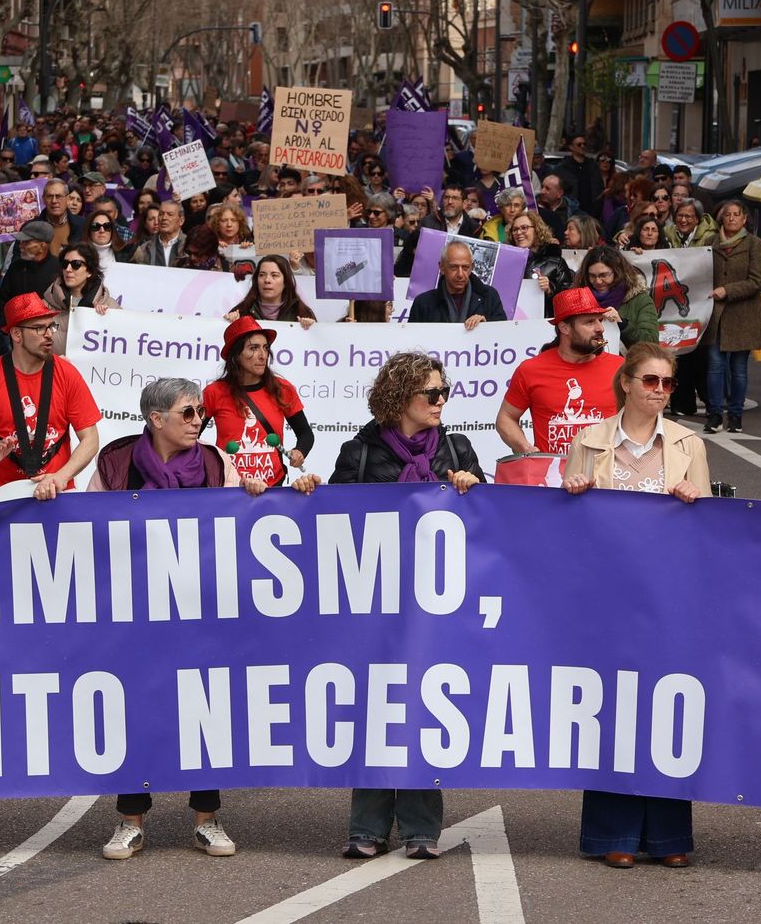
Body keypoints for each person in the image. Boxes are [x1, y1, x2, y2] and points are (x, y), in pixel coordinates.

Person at [91, 377, 317, 861]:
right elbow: (87, 528)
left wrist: (267, 492)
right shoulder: (116, 462)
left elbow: (248, 523)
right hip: (138, 614)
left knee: (205, 709)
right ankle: (129, 821)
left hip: (202, 615)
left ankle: (207, 818)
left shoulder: (217, 463)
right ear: (156, 419)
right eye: (188, 413)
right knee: (137, 711)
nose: (199, 421)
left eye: (199, 413)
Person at [329, 351, 483, 860]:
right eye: (430, 394)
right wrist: (308, 491)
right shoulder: (361, 453)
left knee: (423, 708)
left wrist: (472, 487)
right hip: (374, 603)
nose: (441, 401)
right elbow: (332, 522)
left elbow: (490, 520)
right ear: (400, 399)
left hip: (436, 605)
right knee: (375, 708)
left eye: (444, 392)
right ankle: (367, 826)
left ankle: (422, 827)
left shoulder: (457, 449)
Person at [559, 343, 708, 867]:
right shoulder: (589, 440)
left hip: (668, 596)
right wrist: (573, 492)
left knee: (668, 709)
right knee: (612, 711)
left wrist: (695, 501)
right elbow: (568, 528)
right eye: (650, 381)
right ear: (626, 383)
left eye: (667, 383)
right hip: (606, 597)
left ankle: (668, 837)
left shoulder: (688, 442)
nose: (660, 392)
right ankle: (613, 834)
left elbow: (708, 532)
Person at [0, 294, 102, 504]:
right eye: (39, 328)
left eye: (51, 326)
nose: (49, 334)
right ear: (16, 334)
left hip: (57, 489)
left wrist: (62, 476)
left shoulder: (67, 373)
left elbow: (91, 438)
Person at [497, 287, 623, 456]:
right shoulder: (531, 369)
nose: (600, 328)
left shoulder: (620, 368)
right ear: (564, 328)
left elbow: (643, 419)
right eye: (589, 322)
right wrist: (527, 450)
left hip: (607, 476)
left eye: (600, 320)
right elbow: (505, 418)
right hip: (552, 476)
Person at [202, 317, 314, 488]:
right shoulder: (214, 392)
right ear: (236, 355)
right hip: (230, 488)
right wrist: (212, 464)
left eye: (265, 348)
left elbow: (305, 433)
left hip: (273, 487)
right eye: (253, 348)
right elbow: (191, 437)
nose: (262, 355)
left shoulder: (282, 388)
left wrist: (300, 451)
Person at [703, 200, 761, 434]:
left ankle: (736, 416)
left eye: (736, 214)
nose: (731, 218)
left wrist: (728, 290)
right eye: (727, 214)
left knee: (739, 367)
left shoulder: (754, 244)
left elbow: (758, 280)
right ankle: (715, 415)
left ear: (744, 219)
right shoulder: (711, 243)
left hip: (743, 315)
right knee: (715, 365)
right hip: (717, 315)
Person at [39, 242, 118, 353]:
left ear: (89, 271)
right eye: (65, 264)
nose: (68, 269)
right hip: (54, 369)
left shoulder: (110, 306)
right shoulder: (42, 307)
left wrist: (107, 318)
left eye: (76, 264)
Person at [410, 240, 506, 327]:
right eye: (454, 267)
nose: (460, 274)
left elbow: (503, 334)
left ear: (472, 267)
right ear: (442, 267)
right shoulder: (423, 303)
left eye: (465, 267)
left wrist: (486, 326)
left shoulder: (489, 296)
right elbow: (412, 342)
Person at [578, 245, 659, 348]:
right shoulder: (577, 300)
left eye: (604, 275)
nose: (598, 281)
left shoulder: (640, 300)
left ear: (617, 272)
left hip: (626, 363)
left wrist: (623, 324)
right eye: (592, 276)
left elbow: (651, 342)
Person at [506, 210, 572, 317]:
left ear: (536, 230)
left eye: (524, 227)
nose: (518, 233)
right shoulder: (506, 262)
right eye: (515, 229)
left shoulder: (555, 263)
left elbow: (569, 300)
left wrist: (550, 289)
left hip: (544, 326)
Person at [225, 253, 317, 327]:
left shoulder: (301, 312)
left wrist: (310, 329)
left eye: (274, 275)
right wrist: (230, 323)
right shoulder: (241, 312)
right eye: (262, 275)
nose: (267, 280)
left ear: (285, 281)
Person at [0, 218, 64, 313]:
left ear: (42, 246)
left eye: (26, 242)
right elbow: (3, 300)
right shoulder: (16, 267)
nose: (20, 246)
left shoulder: (58, 269)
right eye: (21, 241)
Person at [132, 199, 185, 266]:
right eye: (161, 214)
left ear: (181, 221)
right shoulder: (143, 250)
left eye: (170, 214)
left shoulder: (189, 246)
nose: (164, 218)